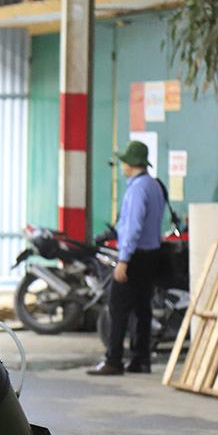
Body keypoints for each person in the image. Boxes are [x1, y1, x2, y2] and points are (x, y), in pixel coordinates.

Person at [87, 140, 165, 376]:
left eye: (124, 162)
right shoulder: (155, 185)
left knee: (118, 308)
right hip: (152, 255)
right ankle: (141, 359)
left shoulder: (137, 188)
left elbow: (132, 227)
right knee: (143, 308)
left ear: (131, 164)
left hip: (135, 257)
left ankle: (114, 360)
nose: (122, 166)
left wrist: (124, 260)